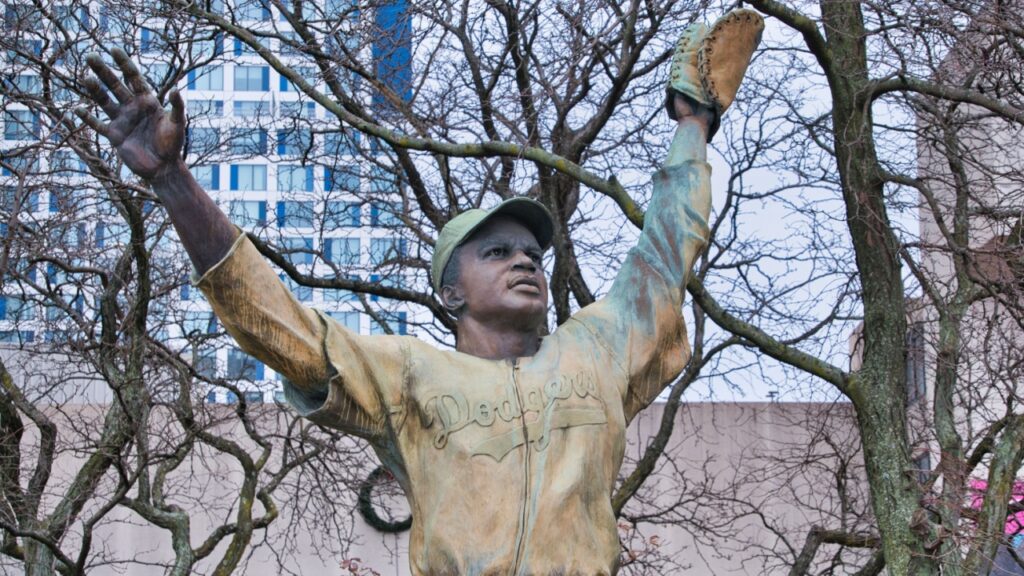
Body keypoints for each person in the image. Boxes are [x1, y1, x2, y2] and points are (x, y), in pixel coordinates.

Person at [76, 9, 762, 575]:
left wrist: (692, 122)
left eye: (531, 252)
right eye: (496, 252)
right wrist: (173, 183)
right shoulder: (408, 375)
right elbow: (278, 327)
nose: (523, 261)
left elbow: (662, 257)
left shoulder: (596, 352)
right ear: (451, 294)